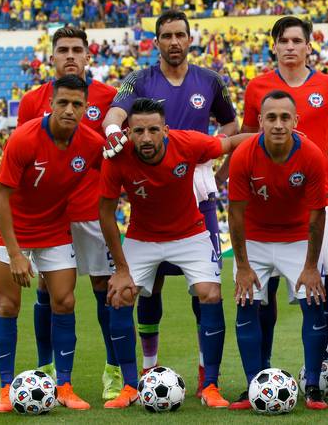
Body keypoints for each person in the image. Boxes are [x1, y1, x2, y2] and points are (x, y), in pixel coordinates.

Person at [102, 10, 238, 397]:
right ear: (157, 41)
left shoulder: (210, 80)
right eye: (167, 36)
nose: (174, 42)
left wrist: (216, 170)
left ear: (189, 39)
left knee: (206, 289)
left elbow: (229, 126)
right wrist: (113, 129)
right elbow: (116, 111)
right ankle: (147, 370)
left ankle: (203, 375)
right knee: (150, 287)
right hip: (150, 179)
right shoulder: (139, 79)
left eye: (180, 35)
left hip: (194, 180)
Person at [99, 98, 251, 409]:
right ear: (128, 132)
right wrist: (121, 268)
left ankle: (210, 384)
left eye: (153, 130)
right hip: (142, 236)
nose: (145, 138)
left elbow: (231, 142)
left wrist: (276, 137)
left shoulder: (188, 143)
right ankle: (129, 385)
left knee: (210, 294)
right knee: (119, 295)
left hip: (190, 233)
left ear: (166, 130)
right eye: (138, 131)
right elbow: (105, 213)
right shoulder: (117, 157)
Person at [240, 15, 328, 374]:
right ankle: (262, 368)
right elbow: (248, 136)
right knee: (265, 295)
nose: (290, 47)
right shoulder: (257, 87)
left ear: (309, 46)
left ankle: (321, 371)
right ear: (274, 46)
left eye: (297, 41)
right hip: (264, 207)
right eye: (284, 41)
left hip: (316, 203)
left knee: (321, 290)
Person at [16, 25, 121, 400]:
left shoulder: (109, 98)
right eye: (64, 50)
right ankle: (48, 371)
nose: (71, 56)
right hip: (50, 214)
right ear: (53, 56)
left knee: (102, 288)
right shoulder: (32, 101)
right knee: (49, 289)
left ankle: (114, 372)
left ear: (89, 56)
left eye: (78, 49)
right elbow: (25, 158)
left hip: (92, 212)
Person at [0, 75, 103, 412]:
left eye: (77, 104)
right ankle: (6, 389)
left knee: (65, 302)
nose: (69, 110)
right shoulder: (24, 139)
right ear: (51, 104)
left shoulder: (91, 144)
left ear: (86, 108)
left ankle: (64, 385)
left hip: (54, 230)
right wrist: (15, 254)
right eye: (63, 102)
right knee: (8, 306)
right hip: (13, 231)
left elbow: (118, 170)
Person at [228, 90, 328, 410]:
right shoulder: (244, 154)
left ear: (295, 121)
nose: (278, 124)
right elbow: (235, 213)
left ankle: (312, 386)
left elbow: (318, 214)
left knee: (313, 303)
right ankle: (252, 387)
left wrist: (312, 266)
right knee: (246, 305)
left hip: (297, 238)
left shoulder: (312, 155)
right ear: (259, 122)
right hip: (255, 240)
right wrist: (243, 267)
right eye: (271, 117)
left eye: (285, 117)